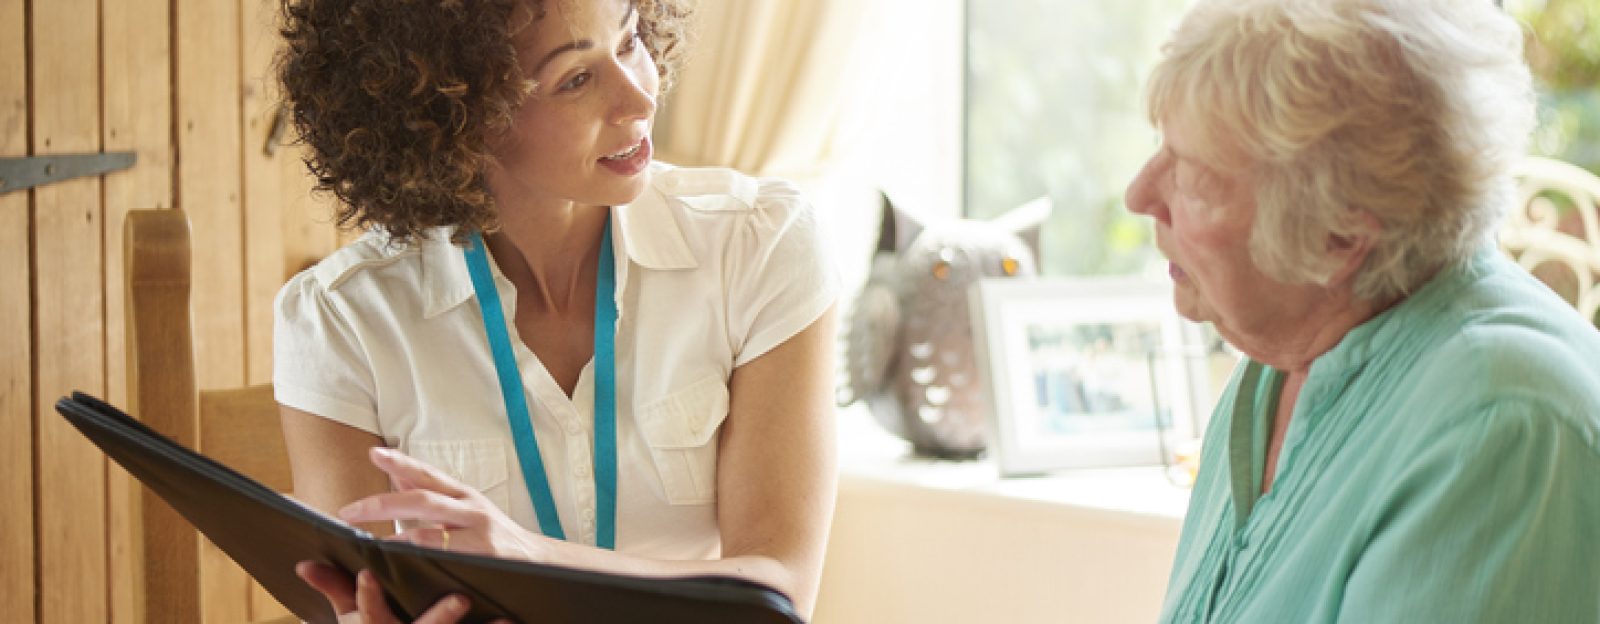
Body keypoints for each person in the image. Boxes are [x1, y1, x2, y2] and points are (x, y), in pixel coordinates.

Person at [272, 0, 841, 621]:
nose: (639, 101)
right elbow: (358, 604)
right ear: (456, 115)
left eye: (627, 44)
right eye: (576, 79)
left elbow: (777, 593)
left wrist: (530, 556)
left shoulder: (760, 245)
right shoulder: (339, 320)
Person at [1123, 0, 1600, 621]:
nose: (1139, 194)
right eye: (1162, 146)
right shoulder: (1280, 361)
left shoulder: (1503, 422)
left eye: (1194, 177)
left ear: (1339, 239)